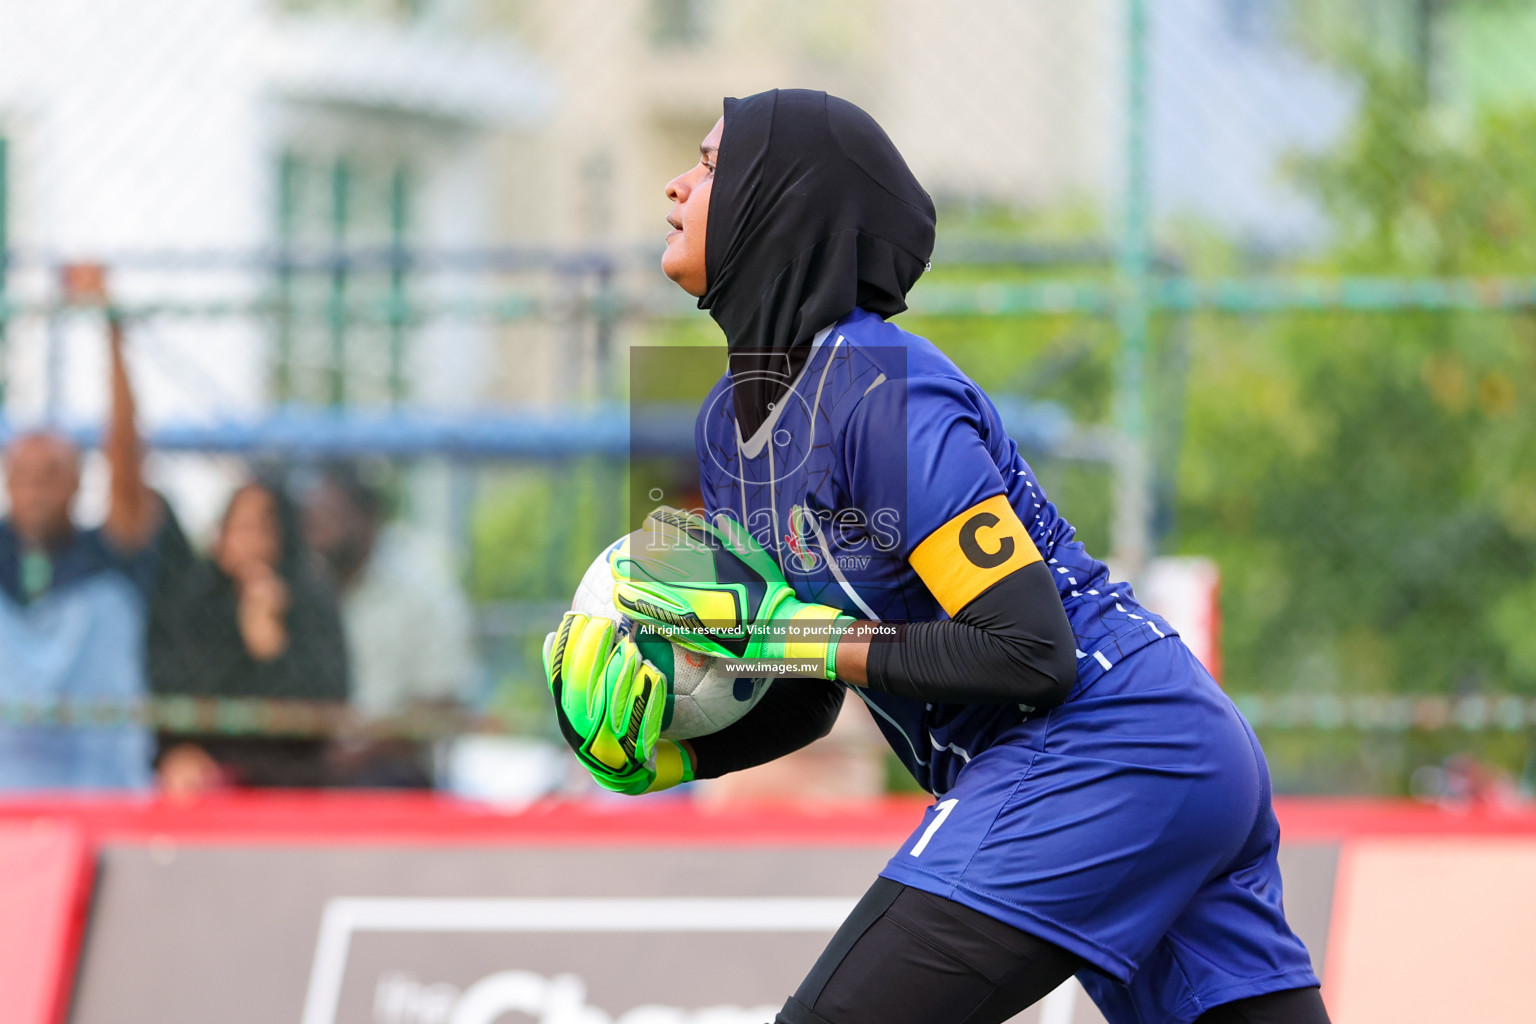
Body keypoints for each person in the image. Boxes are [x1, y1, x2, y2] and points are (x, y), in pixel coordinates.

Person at [545, 91, 1330, 1024]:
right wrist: (666, 761)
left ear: (779, 199)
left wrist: (770, 634)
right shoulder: (727, 426)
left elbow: (1031, 652)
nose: (676, 186)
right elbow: (808, 691)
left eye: (711, 165)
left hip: (1110, 738)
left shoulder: (885, 391)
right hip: (1134, 757)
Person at [0, 310, 167, 790]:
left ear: (77, 483)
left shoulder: (110, 553)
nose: (36, 491)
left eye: (50, 476)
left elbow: (128, 458)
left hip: (99, 791)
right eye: (24, 478)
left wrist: (111, 328)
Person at [150, 477, 349, 792]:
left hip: (291, 779)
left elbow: (326, 703)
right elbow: (171, 692)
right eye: (240, 528)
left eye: (265, 529)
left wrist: (269, 642)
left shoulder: (312, 604)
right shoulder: (191, 605)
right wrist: (177, 752)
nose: (251, 543)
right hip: (203, 775)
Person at [302, 464, 475, 787]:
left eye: (330, 516)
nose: (317, 529)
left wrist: (364, 751)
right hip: (302, 762)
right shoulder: (297, 587)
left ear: (368, 517)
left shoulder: (423, 589)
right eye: (312, 518)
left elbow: (441, 699)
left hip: (388, 769)